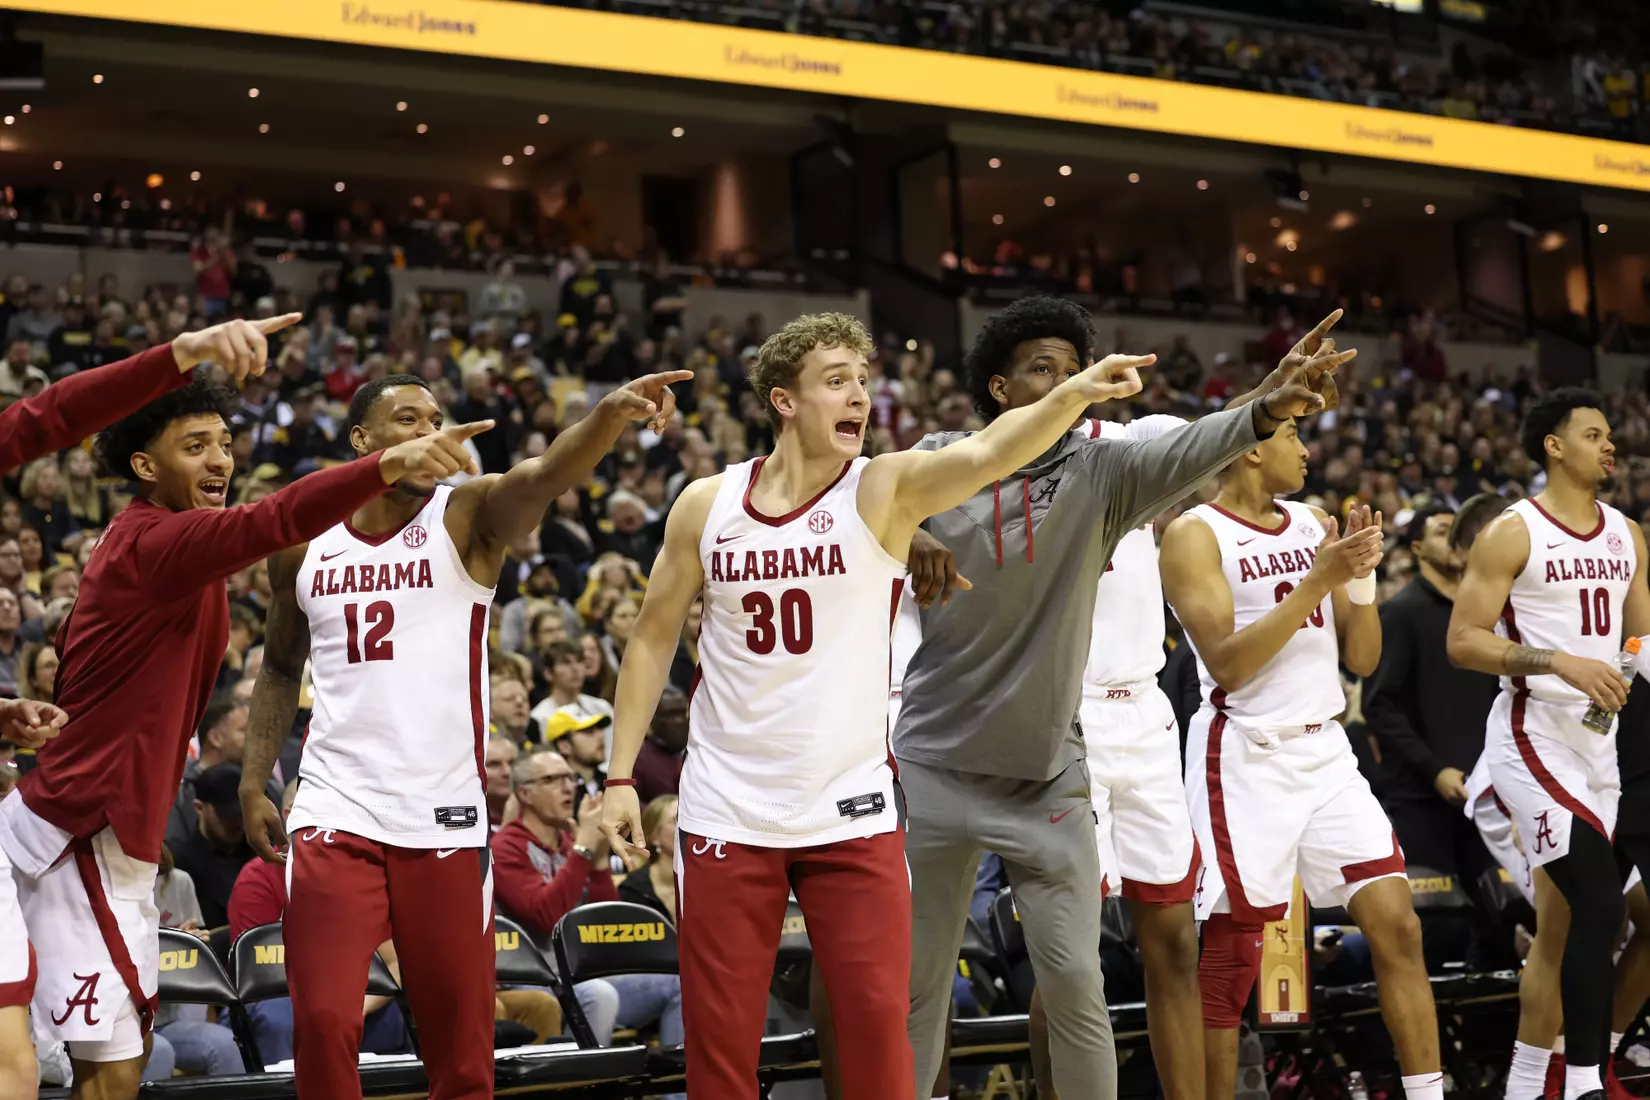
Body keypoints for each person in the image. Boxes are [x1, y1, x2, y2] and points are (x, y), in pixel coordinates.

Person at [600, 309, 1176, 1100]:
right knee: (721, 1055)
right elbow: (649, 638)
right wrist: (620, 776)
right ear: (784, 400)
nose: (860, 397)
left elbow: (991, 450)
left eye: (865, 381)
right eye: (837, 381)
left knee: (882, 1046)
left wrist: (1071, 394)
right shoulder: (708, 504)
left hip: (852, 811)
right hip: (728, 809)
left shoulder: (883, 487)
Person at [0, 313, 490, 1100]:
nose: (220, 458)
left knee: (95, 1065)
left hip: (95, 824)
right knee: (80, 1068)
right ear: (142, 465)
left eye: (225, 442)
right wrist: (382, 467)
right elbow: (273, 521)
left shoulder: (164, 543)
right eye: (194, 446)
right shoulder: (153, 545)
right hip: (79, 827)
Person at [892, 298, 1343, 1100]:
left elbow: (1216, 438)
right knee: (968, 979)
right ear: (998, 387)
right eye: (1044, 370)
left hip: (1107, 725)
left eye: (1076, 369)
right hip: (980, 737)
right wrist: (908, 532)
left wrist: (1273, 398)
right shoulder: (940, 462)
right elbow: (862, 495)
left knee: (1122, 961)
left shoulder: (1117, 453)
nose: (1069, 383)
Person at [237, 366, 689, 1100]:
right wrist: (257, 780)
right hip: (334, 804)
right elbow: (282, 666)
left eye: (436, 418)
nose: (430, 432)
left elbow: (545, 475)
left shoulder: (466, 514)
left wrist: (606, 418)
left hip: (440, 814)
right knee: (321, 1019)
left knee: (463, 1042)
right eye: (408, 420)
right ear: (362, 440)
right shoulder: (304, 544)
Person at [1159, 422, 1442, 1100]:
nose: (1308, 450)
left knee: (1398, 925)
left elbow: (1364, 660)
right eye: (1294, 436)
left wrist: (1364, 585)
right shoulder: (1195, 534)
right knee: (1231, 959)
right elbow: (1225, 665)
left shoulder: (1315, 521)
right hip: (1246, 754)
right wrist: (1319, 580)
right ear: (1253, 448)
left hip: (1326, 752)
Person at [1447, 388, 1650, 1100]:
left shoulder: (1627, 532)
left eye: (1611, 435)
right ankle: (1586, 1082)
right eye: (1595, 434)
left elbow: (1637, 642)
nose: (1611, 445)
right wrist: (1559, 660)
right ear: (1553, 447)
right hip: (1530, 742)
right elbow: (1463, 641)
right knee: (1605, 906)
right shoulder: (1513, 531)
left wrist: (1623, 674)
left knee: (1565, 929)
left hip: (1596, 746)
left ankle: (1527, 1086)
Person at [1361, 505, 1507, 947]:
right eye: (1444, 531)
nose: (1456, 538)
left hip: (1486, 791)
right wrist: (1434, 768)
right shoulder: (1402, 613)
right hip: (1421, 797)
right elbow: (1379, 707)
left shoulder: (1488, 617)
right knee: (1435, 927)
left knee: (1506, 916)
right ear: (1419, 548)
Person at [491, 749, 684, 1059]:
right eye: (553, 779)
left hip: (583, 977)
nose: (567, 787)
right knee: (599, 995)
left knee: (679, 984)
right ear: (525, 793)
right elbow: (545, 916)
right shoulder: (506, 848)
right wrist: (583, 850)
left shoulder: (570, 843)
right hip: (538, 979)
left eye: (569, 777)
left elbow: (609, 928)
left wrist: (597, 862)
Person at [170, 763, 256, 930]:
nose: (238, 822)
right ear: (199, 808)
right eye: (228, 815)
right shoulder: (180, 862)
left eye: (243, 814)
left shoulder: (259, 855)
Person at [617, 794, 678, 920]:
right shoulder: (634, 889)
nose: (686, 828)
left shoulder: (709, 881)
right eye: (676, 820)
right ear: (655, 836)